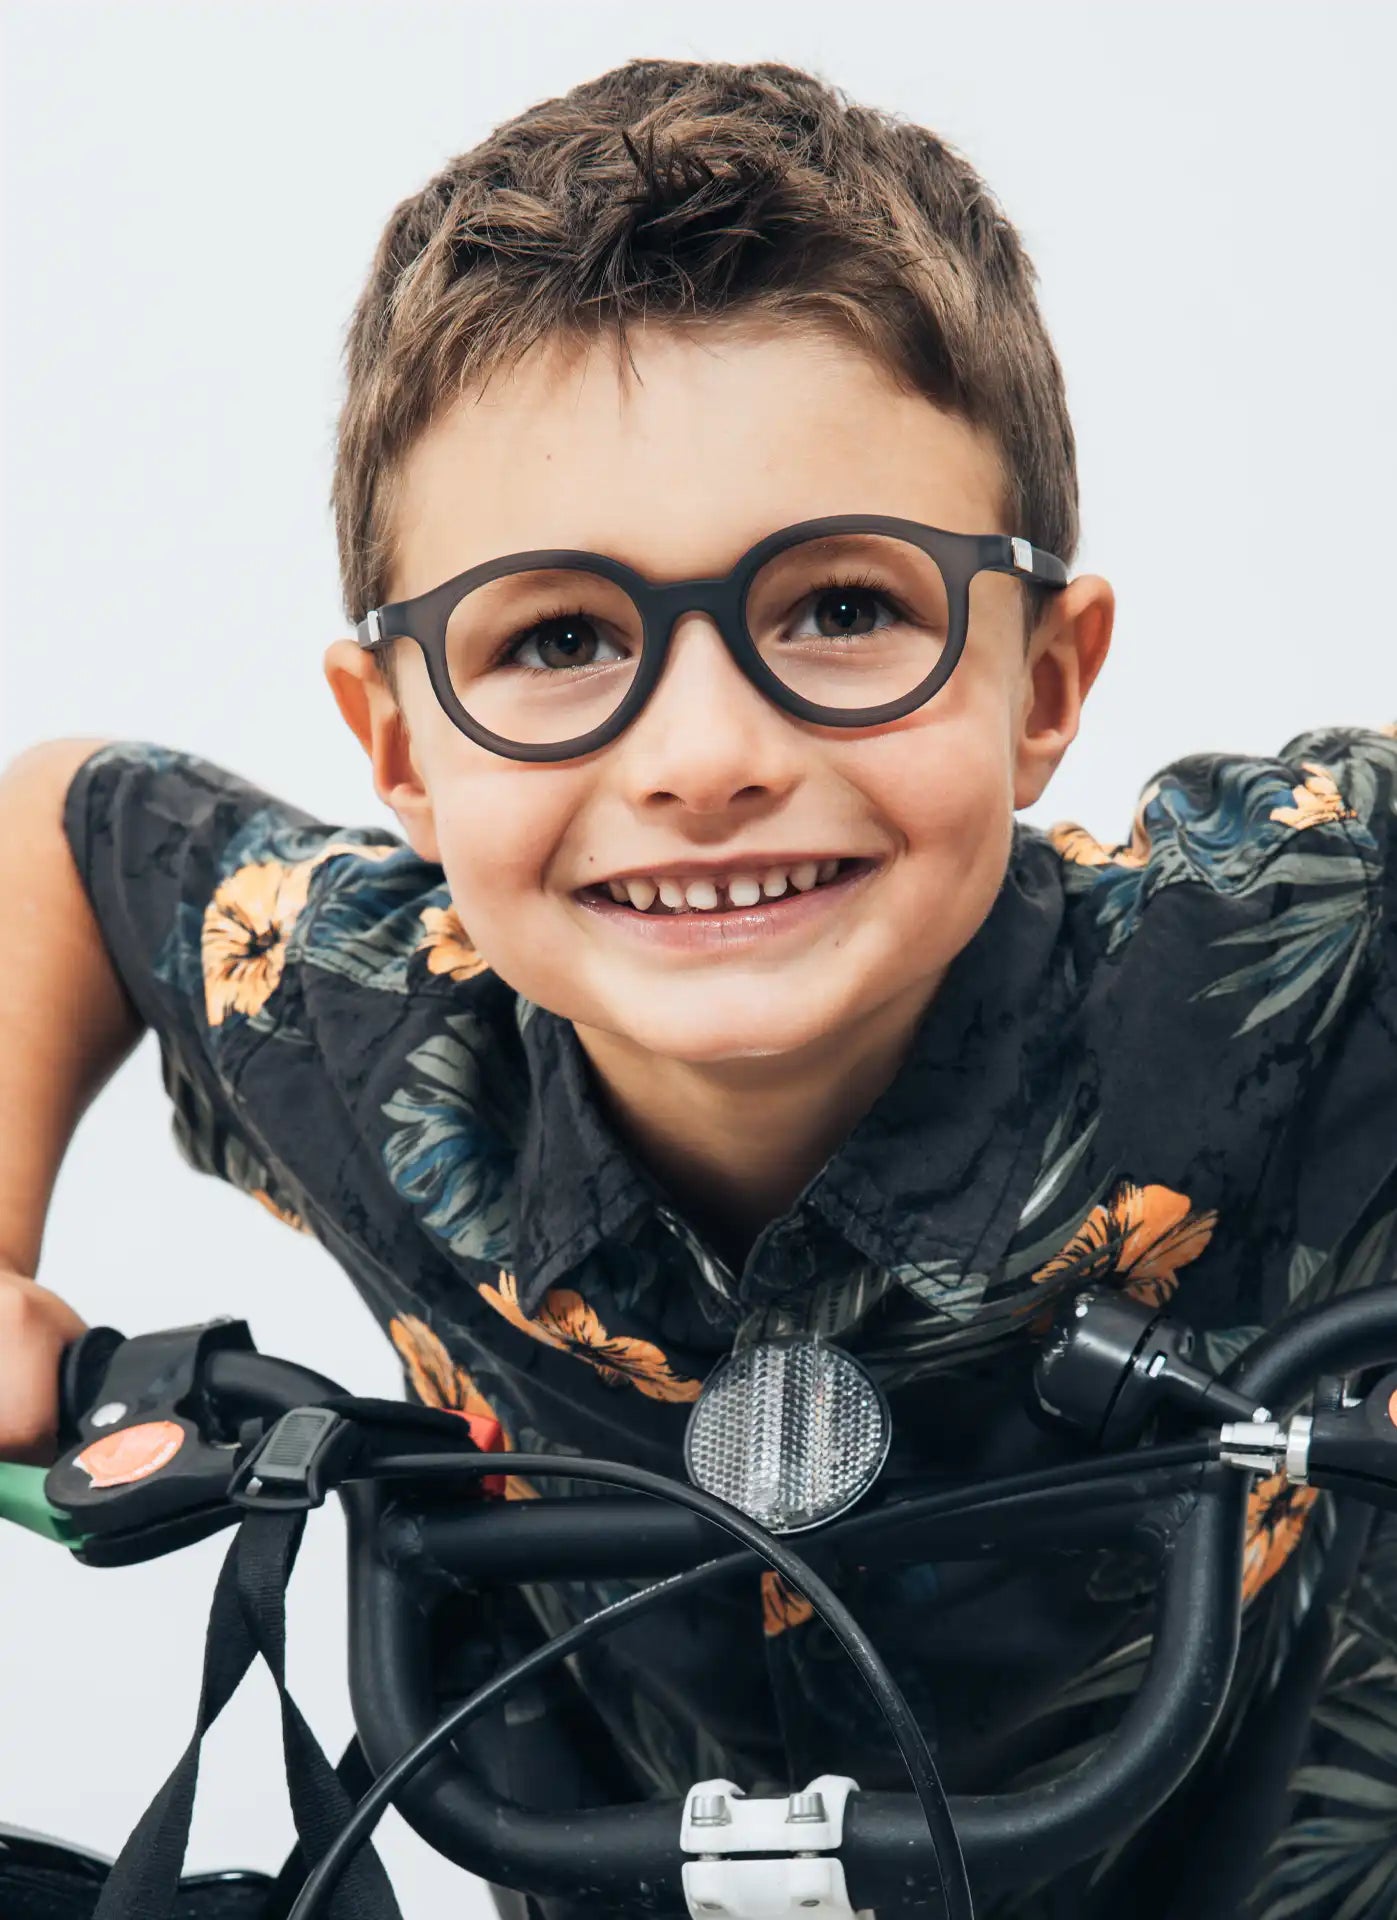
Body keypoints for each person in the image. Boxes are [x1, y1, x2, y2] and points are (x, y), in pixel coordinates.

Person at [1, 53, 1395, 1920]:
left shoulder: (1275, 953)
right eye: (560, 638)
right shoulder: (381, 1035)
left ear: (1044, 686)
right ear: (399, 748)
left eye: (844, 609)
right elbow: (70, 832)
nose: (706, 757)